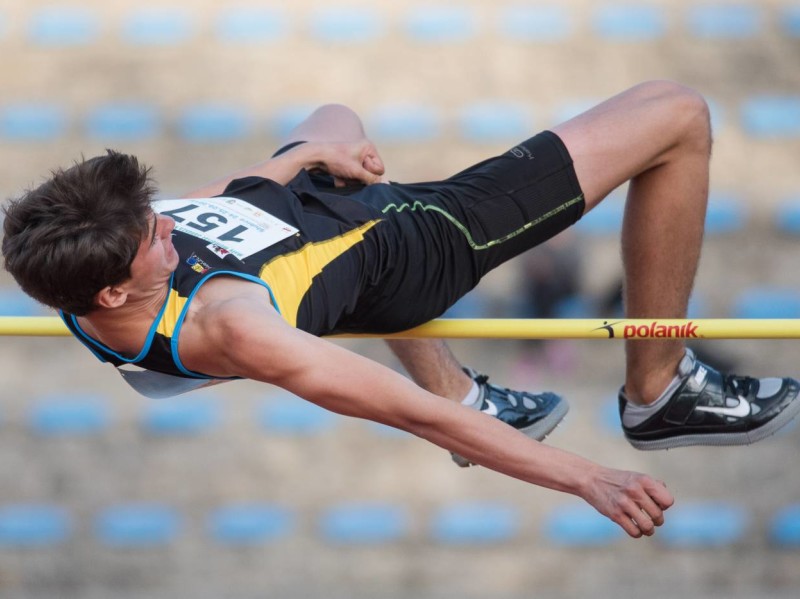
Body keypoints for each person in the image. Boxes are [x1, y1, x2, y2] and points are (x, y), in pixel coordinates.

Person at [4, 81, 800, 538]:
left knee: (332, 118)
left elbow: (221, 198)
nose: (168, 223)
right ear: (113, 290)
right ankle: (660, 387)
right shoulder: (236, 327)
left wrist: (308, 158)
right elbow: (416, 418)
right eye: (153, 235)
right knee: (677, 114)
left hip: (318, 209)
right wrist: (588, 478)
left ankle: (469, 386)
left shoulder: (82, 268)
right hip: (411, 238)